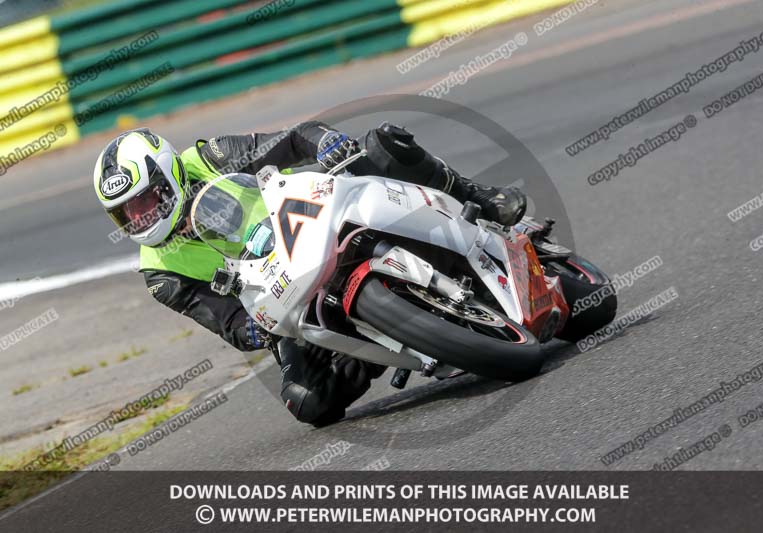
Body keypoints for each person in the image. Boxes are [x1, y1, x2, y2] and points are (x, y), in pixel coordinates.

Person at [92, 121, 527, 426]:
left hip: (312, 219)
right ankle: (389, 338)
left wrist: (326, 143)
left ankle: (481, 198)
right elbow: (229, 323)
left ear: (168, 174)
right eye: (126, 214)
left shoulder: (211, 157)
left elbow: (296, 138)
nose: (141, 218)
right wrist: (257, 331)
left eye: (146, 201)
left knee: (382, 143)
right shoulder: (160, 275)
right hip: (279, 294)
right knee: (308, 401)